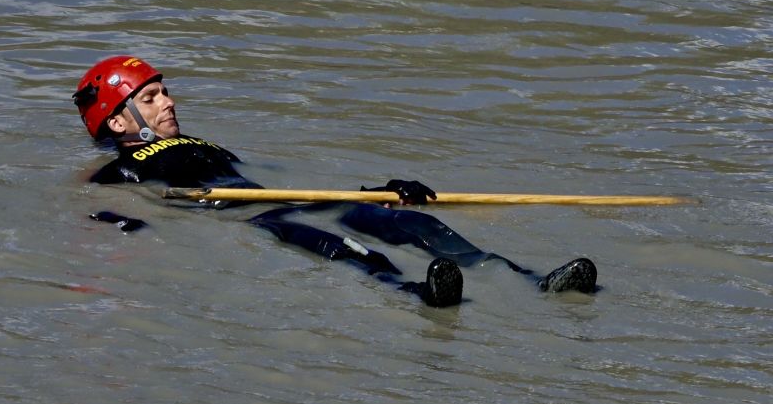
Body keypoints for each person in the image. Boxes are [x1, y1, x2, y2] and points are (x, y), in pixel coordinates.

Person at [73, 55, 598, 308]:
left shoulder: (210, 145)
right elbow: (87, 207)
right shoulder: (120, 168)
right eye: (150, 97)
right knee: (346, 250)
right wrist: (124, 223)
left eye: (165, 91)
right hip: (259, 217)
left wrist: (372, 193)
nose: (168, 101)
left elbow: (277, 178)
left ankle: (531, 279)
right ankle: (421, 292)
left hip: (297, 199)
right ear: (117, 122)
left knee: (417, 222)